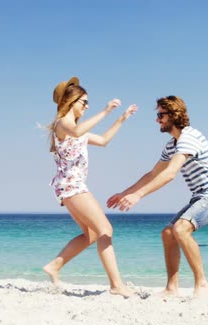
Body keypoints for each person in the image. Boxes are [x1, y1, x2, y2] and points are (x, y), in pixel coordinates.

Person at [107, 95, 208, 297]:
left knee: (181, 229)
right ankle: (171, 288)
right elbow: (153, 173)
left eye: (160, 115)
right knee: (168, 233)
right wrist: (125, 192)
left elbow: (170, 173)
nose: (157, 120)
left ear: (174, 115)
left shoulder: (189, 137)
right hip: (199, 196)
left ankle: (202, 284)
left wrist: (138, 195)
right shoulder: (171, 145)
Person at [43, 76, 137, 298]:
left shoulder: (77, 128)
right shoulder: (62, 123)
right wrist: (105, 111)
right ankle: (116, 285)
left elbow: (103, 140)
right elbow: (75, 132)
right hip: (73, 187)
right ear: (71, 101)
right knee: (106, 230)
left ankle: (55, 266)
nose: (86, 106)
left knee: (92, 235)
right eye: (83, 102)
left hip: (69, 188)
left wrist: (121, 119)